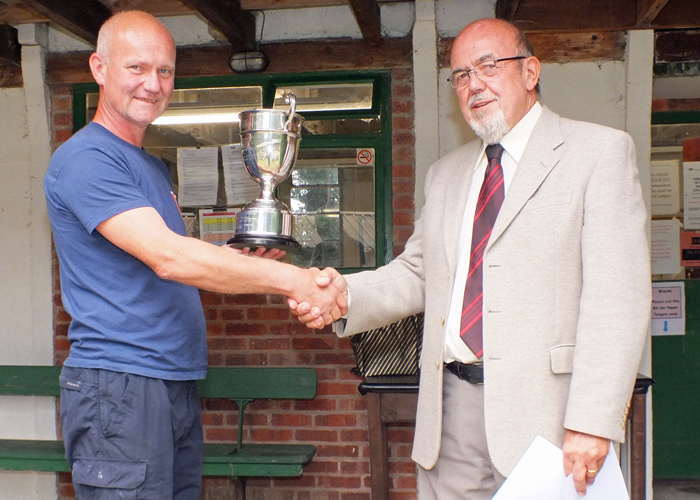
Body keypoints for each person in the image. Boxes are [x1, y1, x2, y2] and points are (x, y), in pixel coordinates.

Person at [291, 18, 651, 499]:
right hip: (451, 413)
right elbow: (419, 272)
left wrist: (593, 421)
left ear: (530, 71)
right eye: (460, 75)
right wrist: (345, 295)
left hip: (552, 418)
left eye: (487, 66)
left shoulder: (599, 153)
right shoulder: (446, 175)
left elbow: (617, 299)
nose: (473, 84)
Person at [44, 11, 346, 500]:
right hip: (122, 384)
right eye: (136, 68)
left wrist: (242, 256)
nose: (152, 83)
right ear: (99, 68)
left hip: (170, 380)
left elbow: (166, 264)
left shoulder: (150, 168)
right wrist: (293, 281)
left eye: (164, 70)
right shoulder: (87, 159)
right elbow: (169, 258)